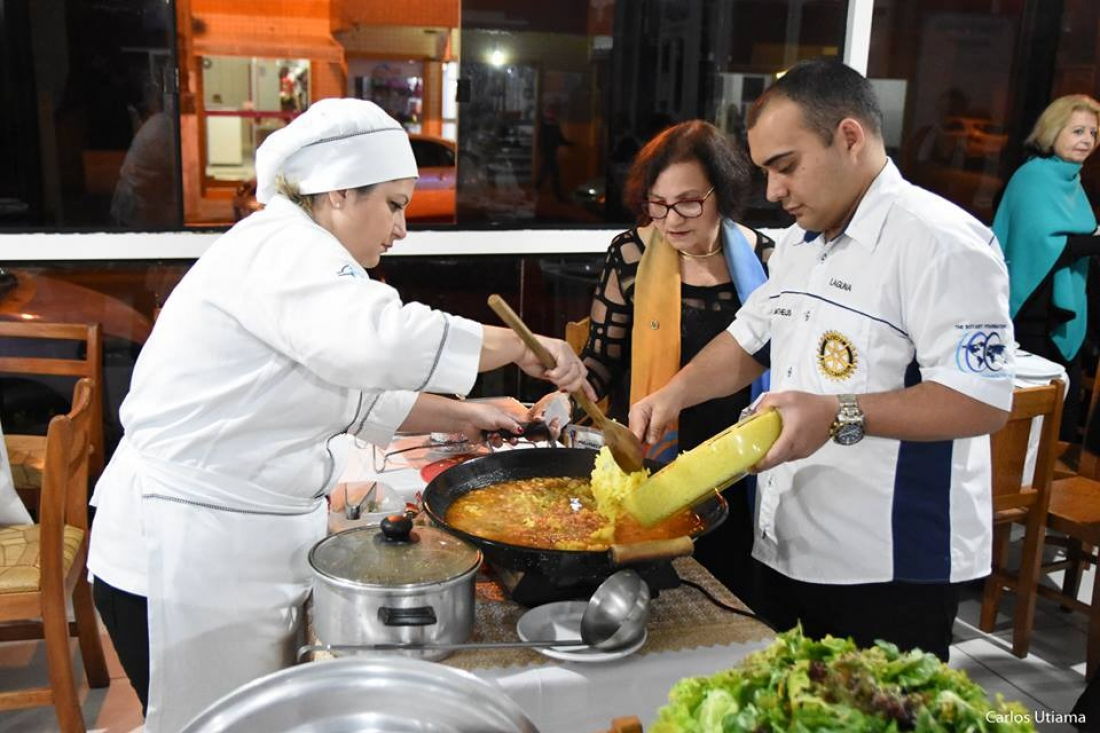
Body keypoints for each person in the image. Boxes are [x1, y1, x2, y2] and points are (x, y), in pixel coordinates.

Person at [87, 99, 592, 731]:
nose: (402, 228)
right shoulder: (281, 248)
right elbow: (378, 340)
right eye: (395, 203)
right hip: (186, 552)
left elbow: (354, 393)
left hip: (239, 545)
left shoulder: (304, 260)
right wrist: (522, 344)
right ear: (340, 192)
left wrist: (469, 413)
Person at [629, 59, 1015, 661]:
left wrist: (837, 411)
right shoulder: (801, 245)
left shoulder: (940, 243)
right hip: (788, 543)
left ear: (850, 138)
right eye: (765, 172)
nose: (774, 191)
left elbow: (980, 400)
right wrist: (671, 396)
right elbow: (748, 341)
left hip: (889, 565)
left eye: (786, 167)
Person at [579, 120, 770, 607]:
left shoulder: (767, 260)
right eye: (657, 204)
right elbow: (601, 361)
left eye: (687, 202)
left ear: (721, 192)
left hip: (741, 470)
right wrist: (566, 392)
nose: (670, 220)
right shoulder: (631, 253)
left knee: (732, 606)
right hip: (651, 463)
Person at [993, 94, 1100, 441]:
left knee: (1064, 408)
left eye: (1093, 133)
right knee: (1034, 414)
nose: (1087, 140)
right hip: (1033, 310)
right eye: (1078, 131)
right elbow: (1048, 246)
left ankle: (1053, 489)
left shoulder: (1072, 180)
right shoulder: (1034, 178)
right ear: (1053, 132)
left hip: (1063, 306)